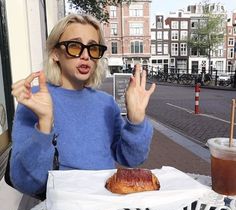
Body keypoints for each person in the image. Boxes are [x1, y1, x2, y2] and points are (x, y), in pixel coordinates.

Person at [10, 14, 156, 197]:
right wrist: (45, 124)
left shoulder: (106, 103)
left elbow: (131, 159)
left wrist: (136, 120)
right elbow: (27, 183)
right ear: (55, 53)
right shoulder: (35, 99)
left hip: (106, 205)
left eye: (93, 48)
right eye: (75, 46)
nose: (86, 55)